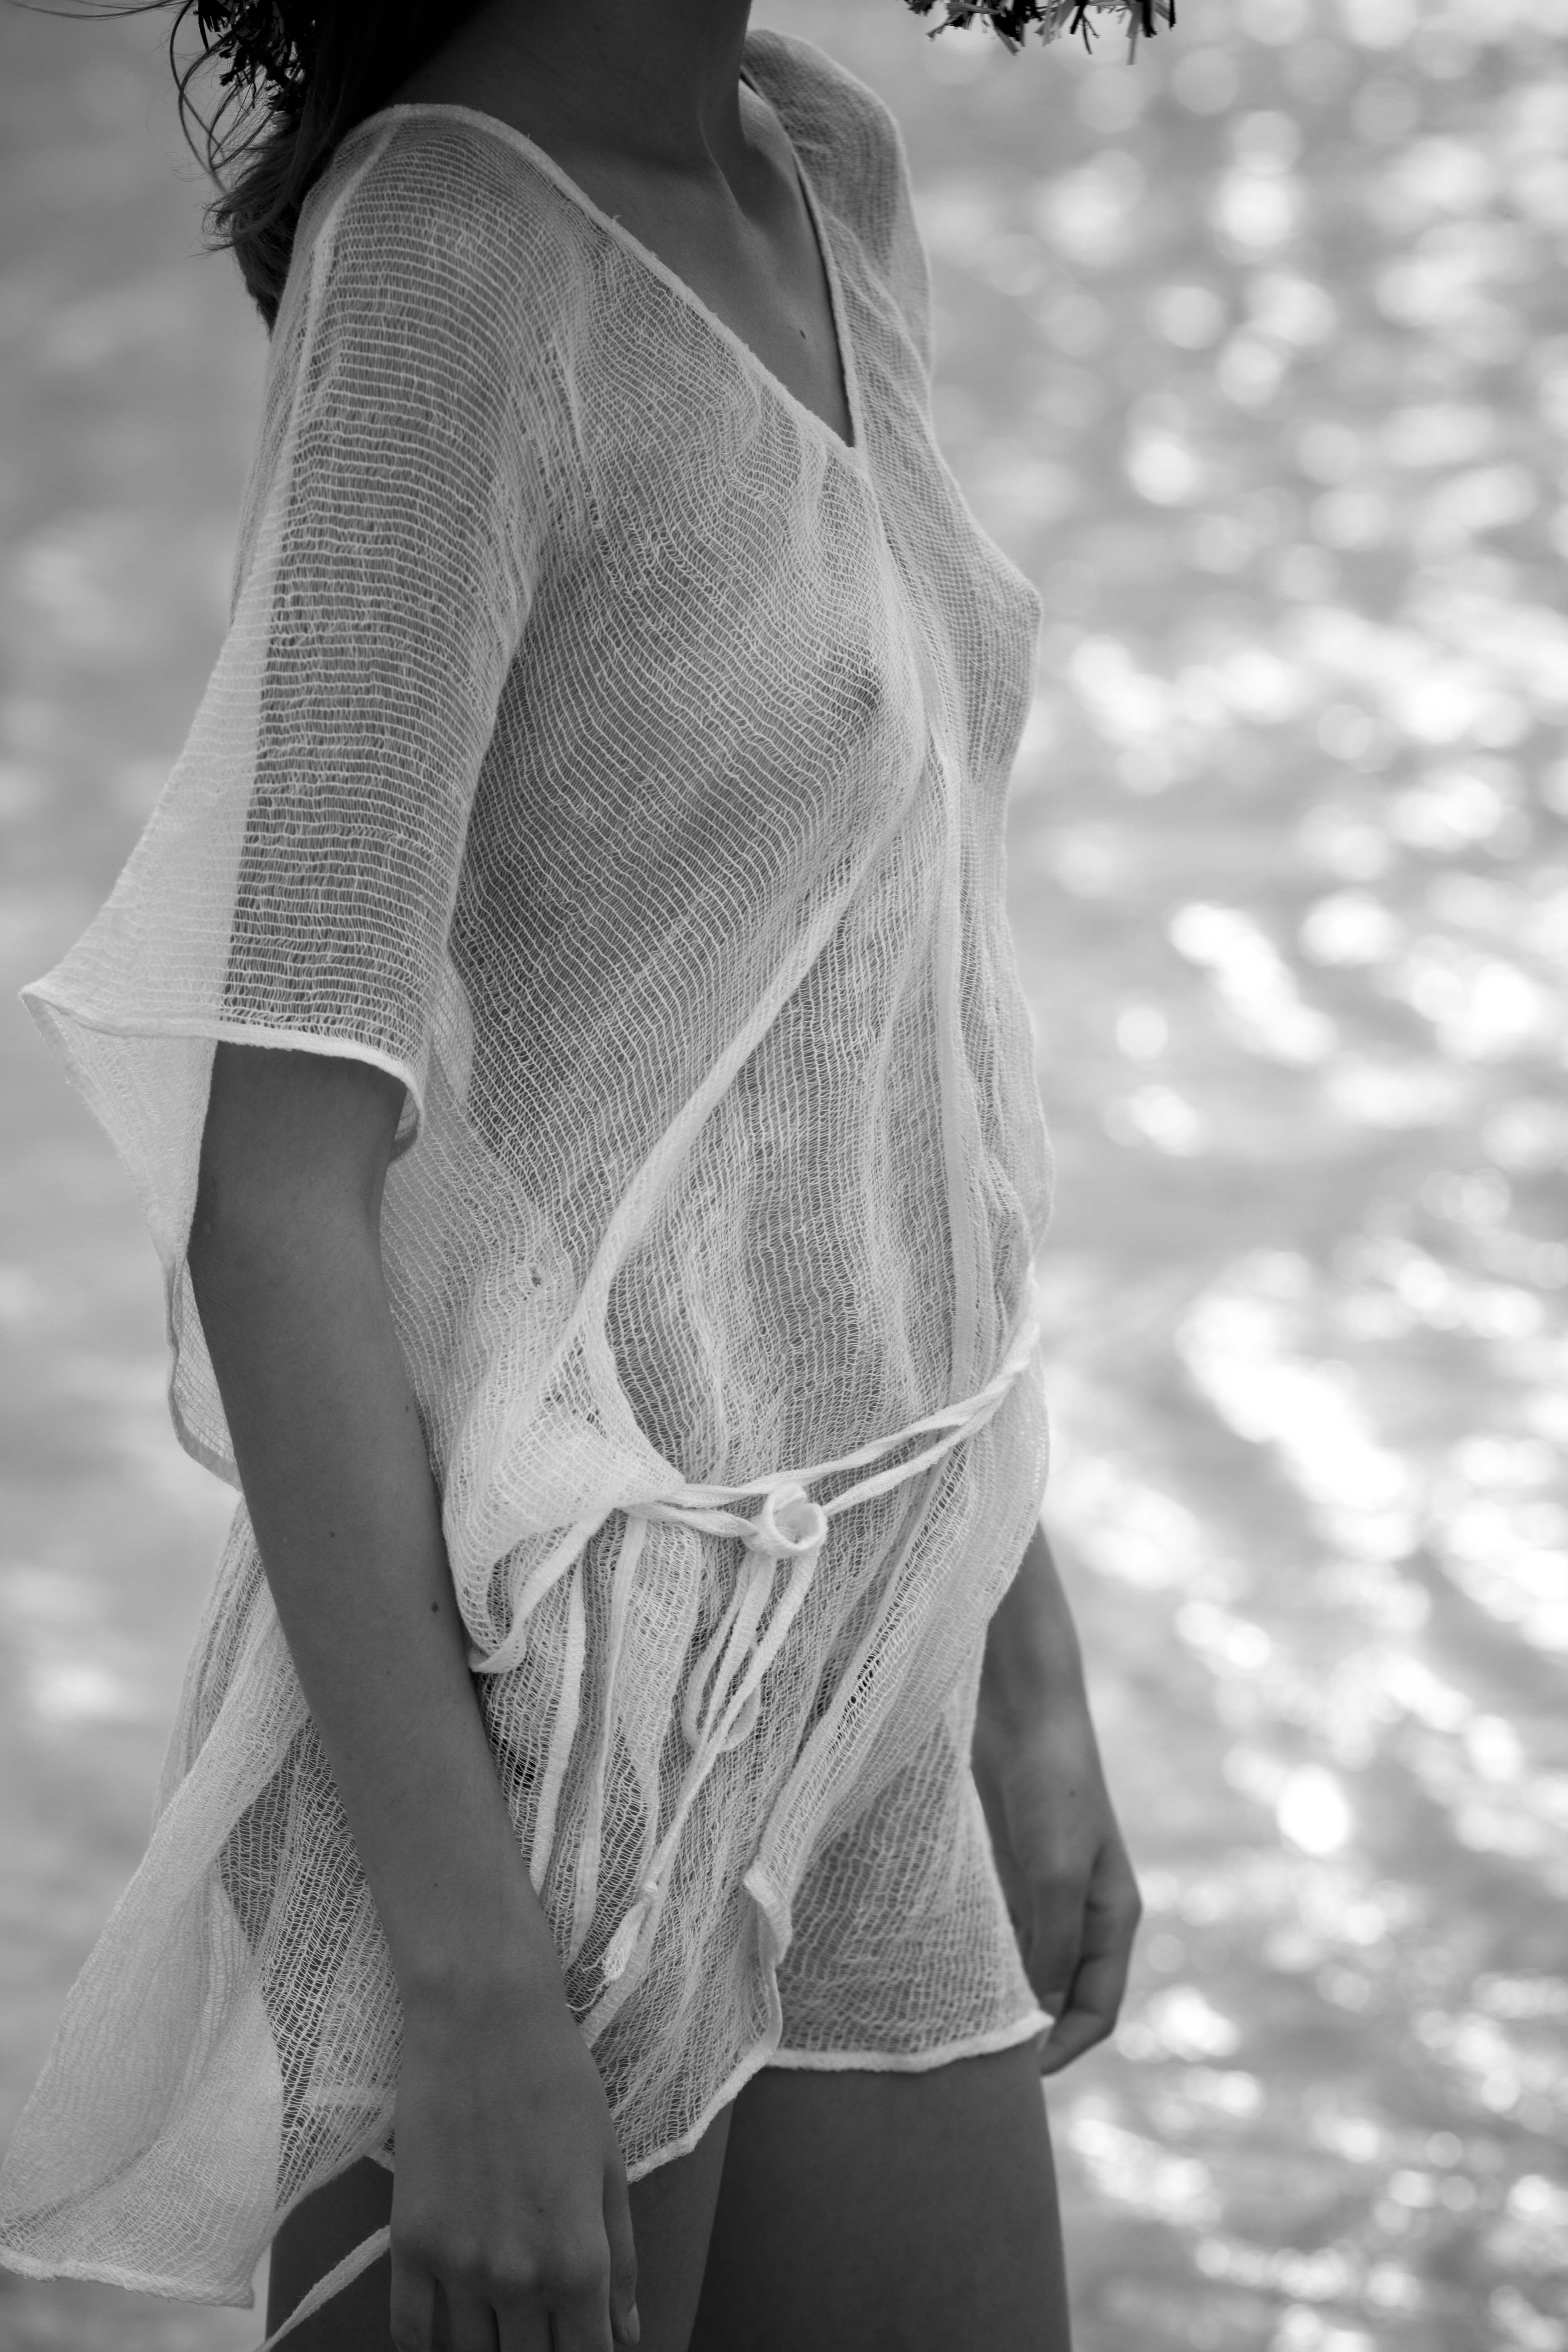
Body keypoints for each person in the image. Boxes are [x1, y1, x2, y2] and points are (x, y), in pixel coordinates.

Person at [0, 0, 1167, 2344]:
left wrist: (1013, 1668)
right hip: (546, 1726)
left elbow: (883, 1040)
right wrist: (473, 1983)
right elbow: (278, 1197)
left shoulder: (816, 164)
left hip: (860, 1670)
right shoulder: (453, 253)